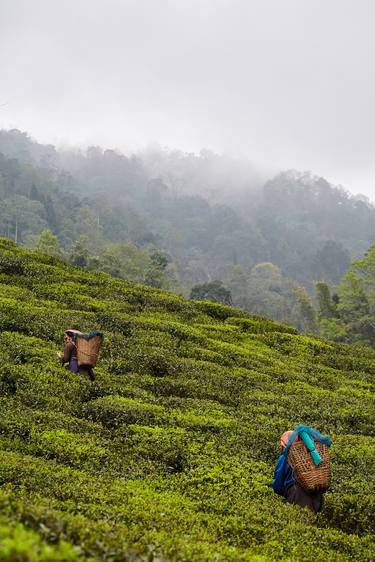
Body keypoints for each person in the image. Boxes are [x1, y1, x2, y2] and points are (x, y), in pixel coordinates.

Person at [272, 425, 331, 513]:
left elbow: (278, 485)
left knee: (298, 522)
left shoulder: (285, 457)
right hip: (317, 495)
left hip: (297, 495)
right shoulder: (309, 455)